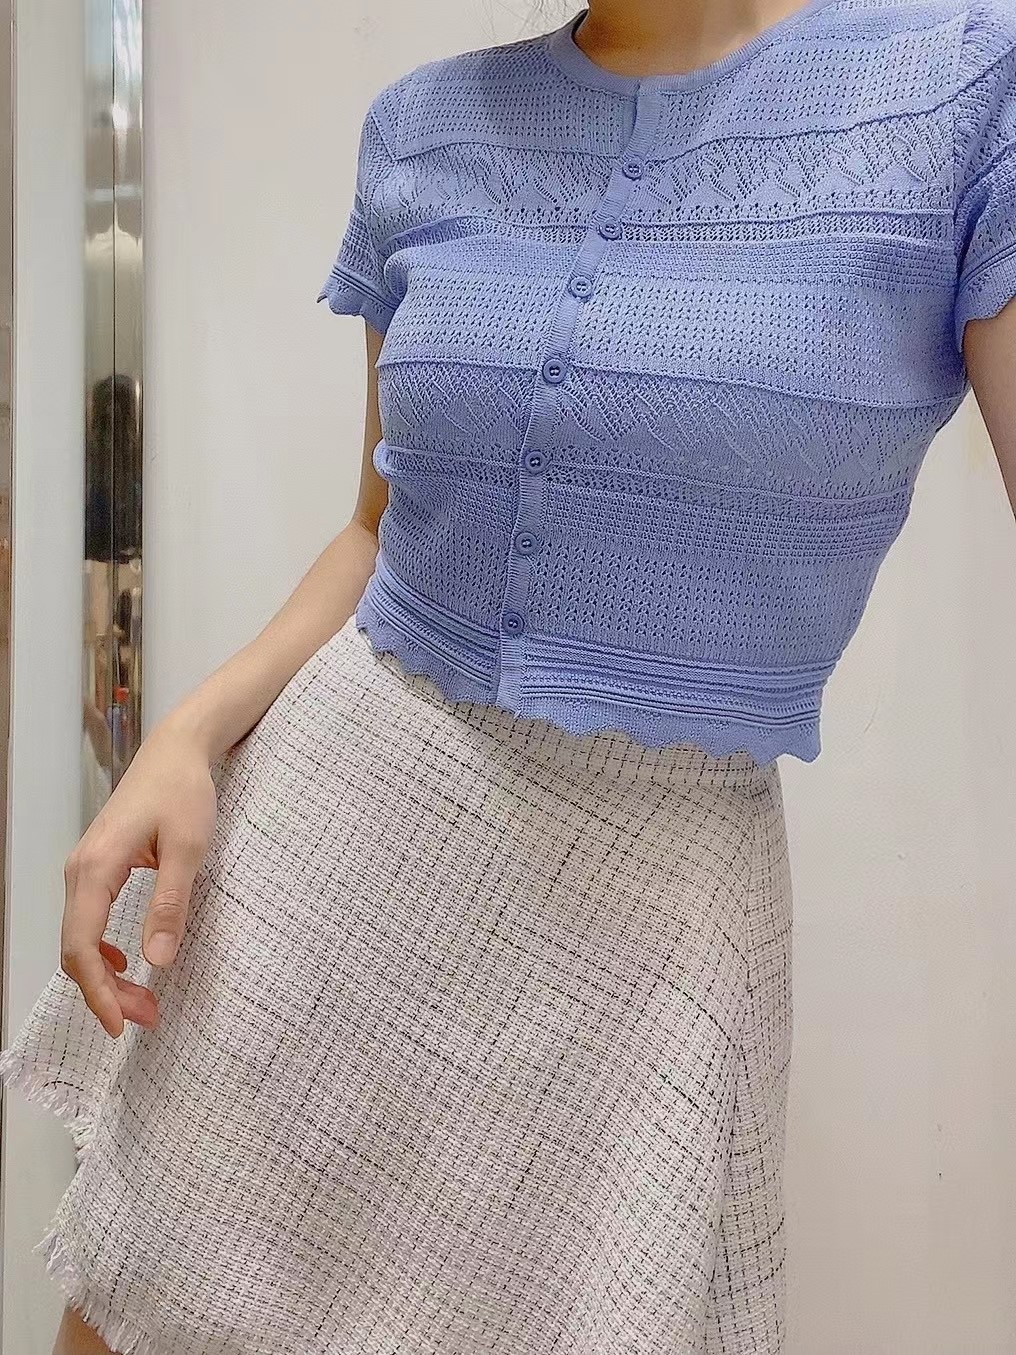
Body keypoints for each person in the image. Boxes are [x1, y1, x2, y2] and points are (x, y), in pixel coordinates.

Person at [4, 0, 1016, 1351]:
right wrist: (185, 736)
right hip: (330, 861)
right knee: (148, 1311)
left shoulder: (960, 91)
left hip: (653, 944)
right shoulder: (425, 126)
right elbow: (377, 531)